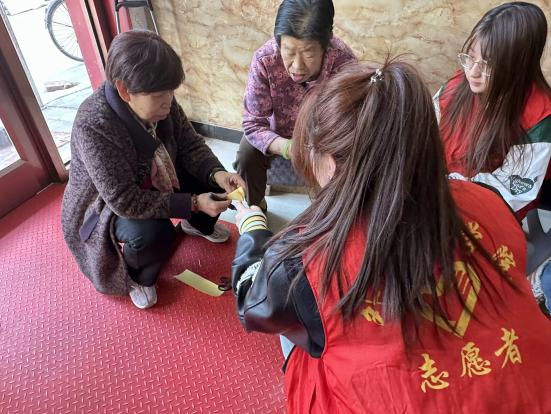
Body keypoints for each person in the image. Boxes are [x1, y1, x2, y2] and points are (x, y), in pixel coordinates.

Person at [230, 61, 551, 413]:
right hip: (527, 387)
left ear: (332, 164)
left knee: (300, 335)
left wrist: (253, 229)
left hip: (397, 399)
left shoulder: (305, 262)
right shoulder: (488, 201)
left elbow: (254, 307)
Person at [62, 30, 245, 310]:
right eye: (159, 95)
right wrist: (193, 203)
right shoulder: (94, 124)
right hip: (106, 204)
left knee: (212, 180)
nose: (168, 101)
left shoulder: (160, 99)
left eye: (171, 92)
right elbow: (124, 200)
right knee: (154, 234)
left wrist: (219, 174)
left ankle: (196, 225)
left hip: (152, 175)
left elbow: (190, 144)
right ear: (125, 91)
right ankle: (138, 277)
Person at [434, 2, 551, 313]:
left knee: (460, 287)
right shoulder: (457, 87)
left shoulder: (538, 115)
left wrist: (450, 193)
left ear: (517, 67)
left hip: (489, 210)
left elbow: (512, 193)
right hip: (444, 193)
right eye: (470, 57)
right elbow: (427, 135)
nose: (472, 72)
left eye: (487, 64)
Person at [233, 0, 356, 209]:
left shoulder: (343, 62)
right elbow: (253, 123)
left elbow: (349, 122)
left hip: (324, 139)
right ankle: (255, 207)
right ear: (278, 42)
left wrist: (319, 150)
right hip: (277, 134)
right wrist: (290, 148)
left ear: (326, 45)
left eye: (308, 53)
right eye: (289, 52)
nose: (297, 66)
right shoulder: (265, 60)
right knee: (247, 155)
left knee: (348, 162)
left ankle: (329, 212)